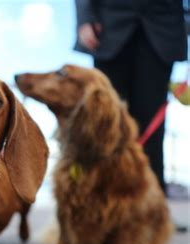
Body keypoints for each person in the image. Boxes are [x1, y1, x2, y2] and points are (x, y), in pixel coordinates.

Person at [75, 0, 187, 191]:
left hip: (163, 29)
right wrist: (86, 18)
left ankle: (153, 212)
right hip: (108, 29)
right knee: (105, 125)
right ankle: (101, 206)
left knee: (152, 128)